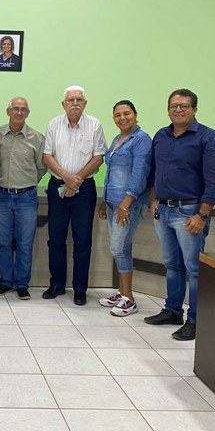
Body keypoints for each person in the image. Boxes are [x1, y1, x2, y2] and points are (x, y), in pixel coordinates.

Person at [145, 88, 215, 341]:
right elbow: (154, 171)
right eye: (174, 106)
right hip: (163, 210)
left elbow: (214, 180)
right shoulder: (161, 135)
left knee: (194, 269)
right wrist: (153, 198)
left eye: (184, 106)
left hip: (189, 212)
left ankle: (196, 320)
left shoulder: (209, 138)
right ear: (168, 109)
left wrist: (202, 215)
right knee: (172, 264)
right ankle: (172, 310)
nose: (178, 110)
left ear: (194, 109)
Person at [42, 86, 107, 306]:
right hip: (57, 188)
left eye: (79, 99)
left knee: (82, 241)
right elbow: (47, 156)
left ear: (85, 103)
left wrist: (76, 179)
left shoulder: (95, 125)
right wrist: (66, 178)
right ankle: (57, 284)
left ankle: (80, 289)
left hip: (84, 190)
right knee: (55, 240)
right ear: (64, 104)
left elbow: (98, 157)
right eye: (71, 100)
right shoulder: (54, 124)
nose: (75, 103)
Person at [97, 100, 152, 316]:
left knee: (119, 249)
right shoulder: (118, 139)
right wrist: (105, 200)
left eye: (126, 113)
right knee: (120, 248)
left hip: (128, 205)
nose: (122, 118)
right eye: (117, 115)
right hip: (113, 203)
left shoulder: (141, 139)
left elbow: (140, 173)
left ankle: (129, 299)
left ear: (135, 115)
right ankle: (122, 293)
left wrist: (126, 203)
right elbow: (111, 174)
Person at [0, 97, 47, 300]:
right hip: (1, 197)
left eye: (23, 109)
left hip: (26, 197)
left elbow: (41, 168)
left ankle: (22, 284)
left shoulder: (37, 138)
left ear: (28, 113)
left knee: (25, 243)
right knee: (3, 242)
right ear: (8, 111)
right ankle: (6, 281)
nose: (19, 112)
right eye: (15, 109)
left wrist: (27, 182)